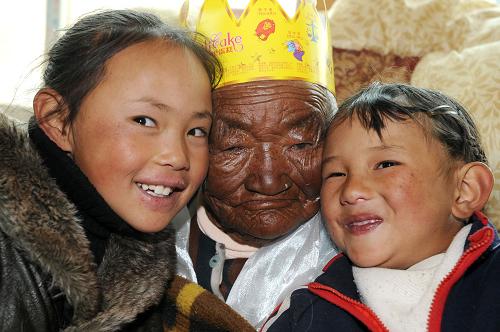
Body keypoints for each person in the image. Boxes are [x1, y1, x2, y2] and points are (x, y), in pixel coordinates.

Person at [0, 9, 234, 331]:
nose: (178, 156)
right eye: (144, 121)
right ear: (57, 119)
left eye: (197, 131)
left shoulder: (146, 265)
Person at [262, 82, 500, 331]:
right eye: (335, 174)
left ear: (465, 190)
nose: (351, 191)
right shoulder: (306, 312)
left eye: (385, 165)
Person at [173, 0, 338, 328]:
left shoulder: (368, 254)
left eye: (300, 143)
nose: (268, 180)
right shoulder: (150, 250)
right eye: (233, 146)